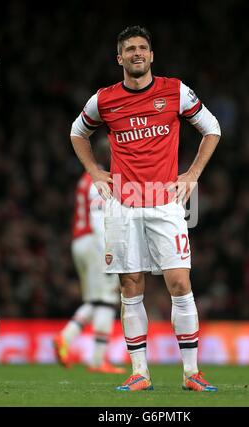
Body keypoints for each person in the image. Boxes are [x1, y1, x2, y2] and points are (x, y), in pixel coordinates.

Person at [70, 25, 221, 391]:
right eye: (129, 49)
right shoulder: (104, 100)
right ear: (119, 58)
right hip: (123, 205)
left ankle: (191, 373)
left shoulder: (175, 91)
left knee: (179, 282)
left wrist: (192, 174)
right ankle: (140, 372)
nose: (137, 53)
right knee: (130, 286)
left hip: (165, 203)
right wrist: (94, 171)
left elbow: (211, 127)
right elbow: (78, 132)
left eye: (142, 48)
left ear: (151, 55)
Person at [53, 170, 125, 374]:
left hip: (80, 241)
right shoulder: (99, 181)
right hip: (95, 243)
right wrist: (108, 252)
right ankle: (97, 360)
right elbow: (96, 220)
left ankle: (65, 338)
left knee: (95, 300)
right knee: (107, 300)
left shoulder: (85, 178)